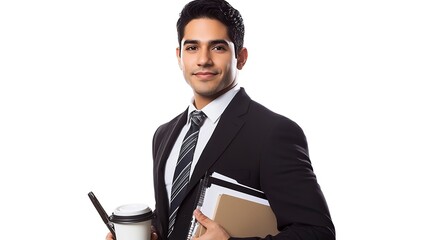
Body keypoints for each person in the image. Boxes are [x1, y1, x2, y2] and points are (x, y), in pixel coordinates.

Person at [106, 0, 335, 239]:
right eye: (192, 48)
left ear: (241, 57)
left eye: (218, 48)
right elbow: (175, 217)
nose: (203, 59)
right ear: (179, 56)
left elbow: (318, 233)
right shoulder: (164, 134)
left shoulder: (274, 133)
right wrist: (146, 233)